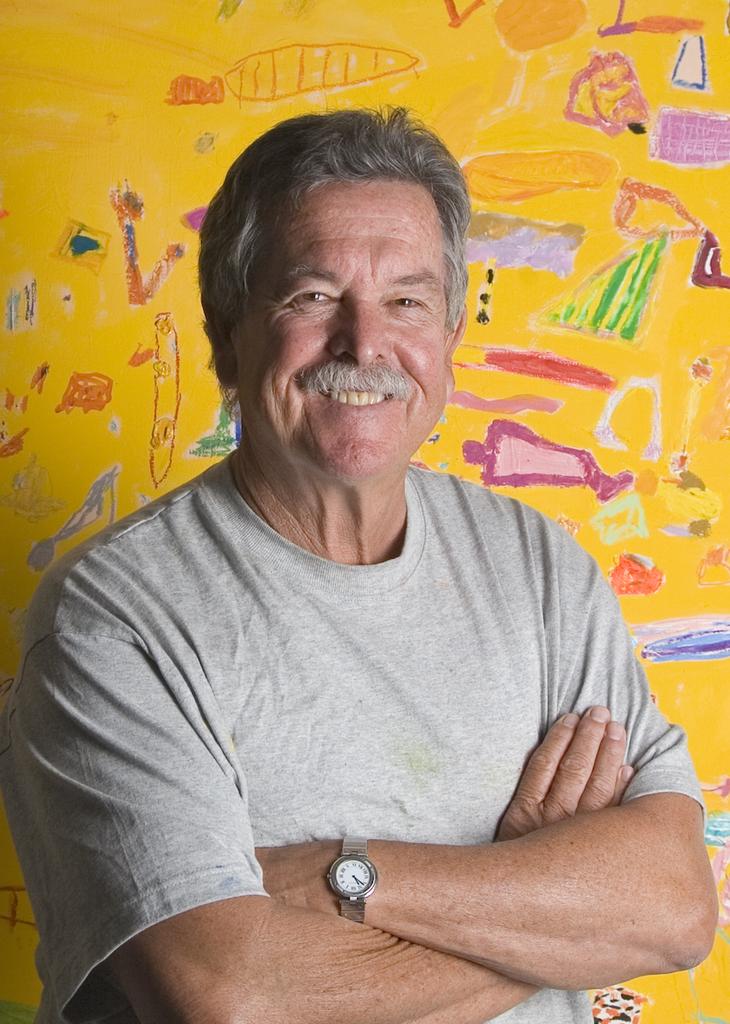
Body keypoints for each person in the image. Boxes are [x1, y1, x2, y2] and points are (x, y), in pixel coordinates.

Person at [0, 108, 716, 1024]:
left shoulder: (540, 569)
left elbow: (675, 907)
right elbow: (231, 1000)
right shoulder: (116, 616)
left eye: (407, 301)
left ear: (450, 332)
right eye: (312, 296)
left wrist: (347, 876)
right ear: (226, 333)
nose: (365, 344)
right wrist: (558, 917)